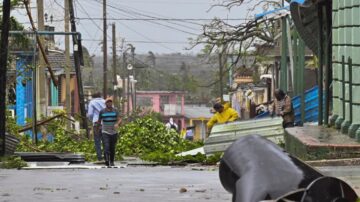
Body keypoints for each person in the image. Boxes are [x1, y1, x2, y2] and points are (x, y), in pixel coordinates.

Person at [98, 97, 122, 167]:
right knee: (106, 146)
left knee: (112, 147)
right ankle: (106, 161)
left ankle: (112, 161)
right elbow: (99, 121)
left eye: (110, 102)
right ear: (105, 104)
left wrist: (117, 124)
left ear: (112, 103)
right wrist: (97, 128)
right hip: (105, 131)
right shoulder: (102, 111)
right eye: (108, 102)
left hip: (114, 132)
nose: (109, 103)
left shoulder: (115, 111)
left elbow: (119, 119)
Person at [87, 92, 106, 162]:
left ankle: (99, 157)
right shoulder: (105, 101)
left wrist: (92, 119)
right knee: (105, 140)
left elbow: (90, 114)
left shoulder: (92, 102)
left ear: (93, 97)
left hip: (96, 123)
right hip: (105, 123)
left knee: (97, 140)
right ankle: (106, 156)